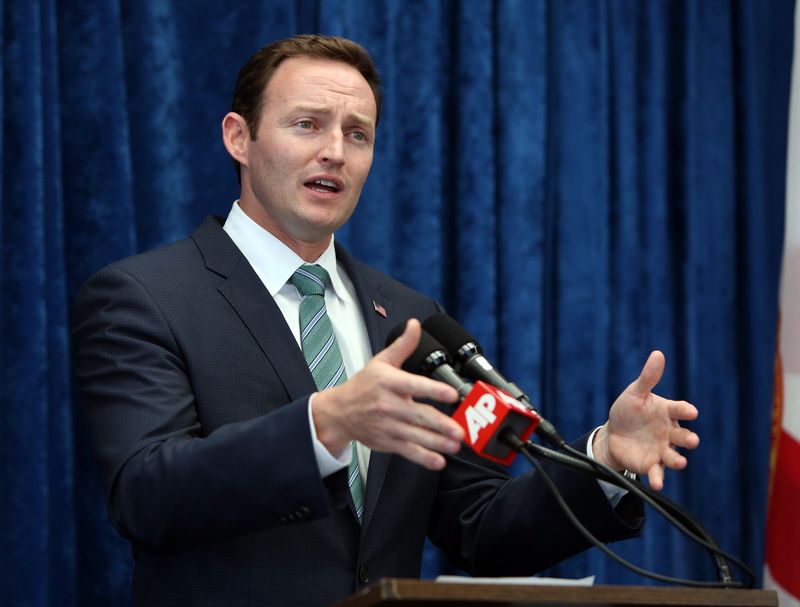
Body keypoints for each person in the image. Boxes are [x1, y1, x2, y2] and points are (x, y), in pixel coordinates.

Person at [71, 34, 699, 607]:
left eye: (357, 134)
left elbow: (478, 524)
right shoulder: (144, 296)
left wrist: (604, 457)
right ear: (239, 137)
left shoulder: (414, 320)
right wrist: (327, 424)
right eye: (307, 125)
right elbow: (147, 496)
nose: (333, 152)